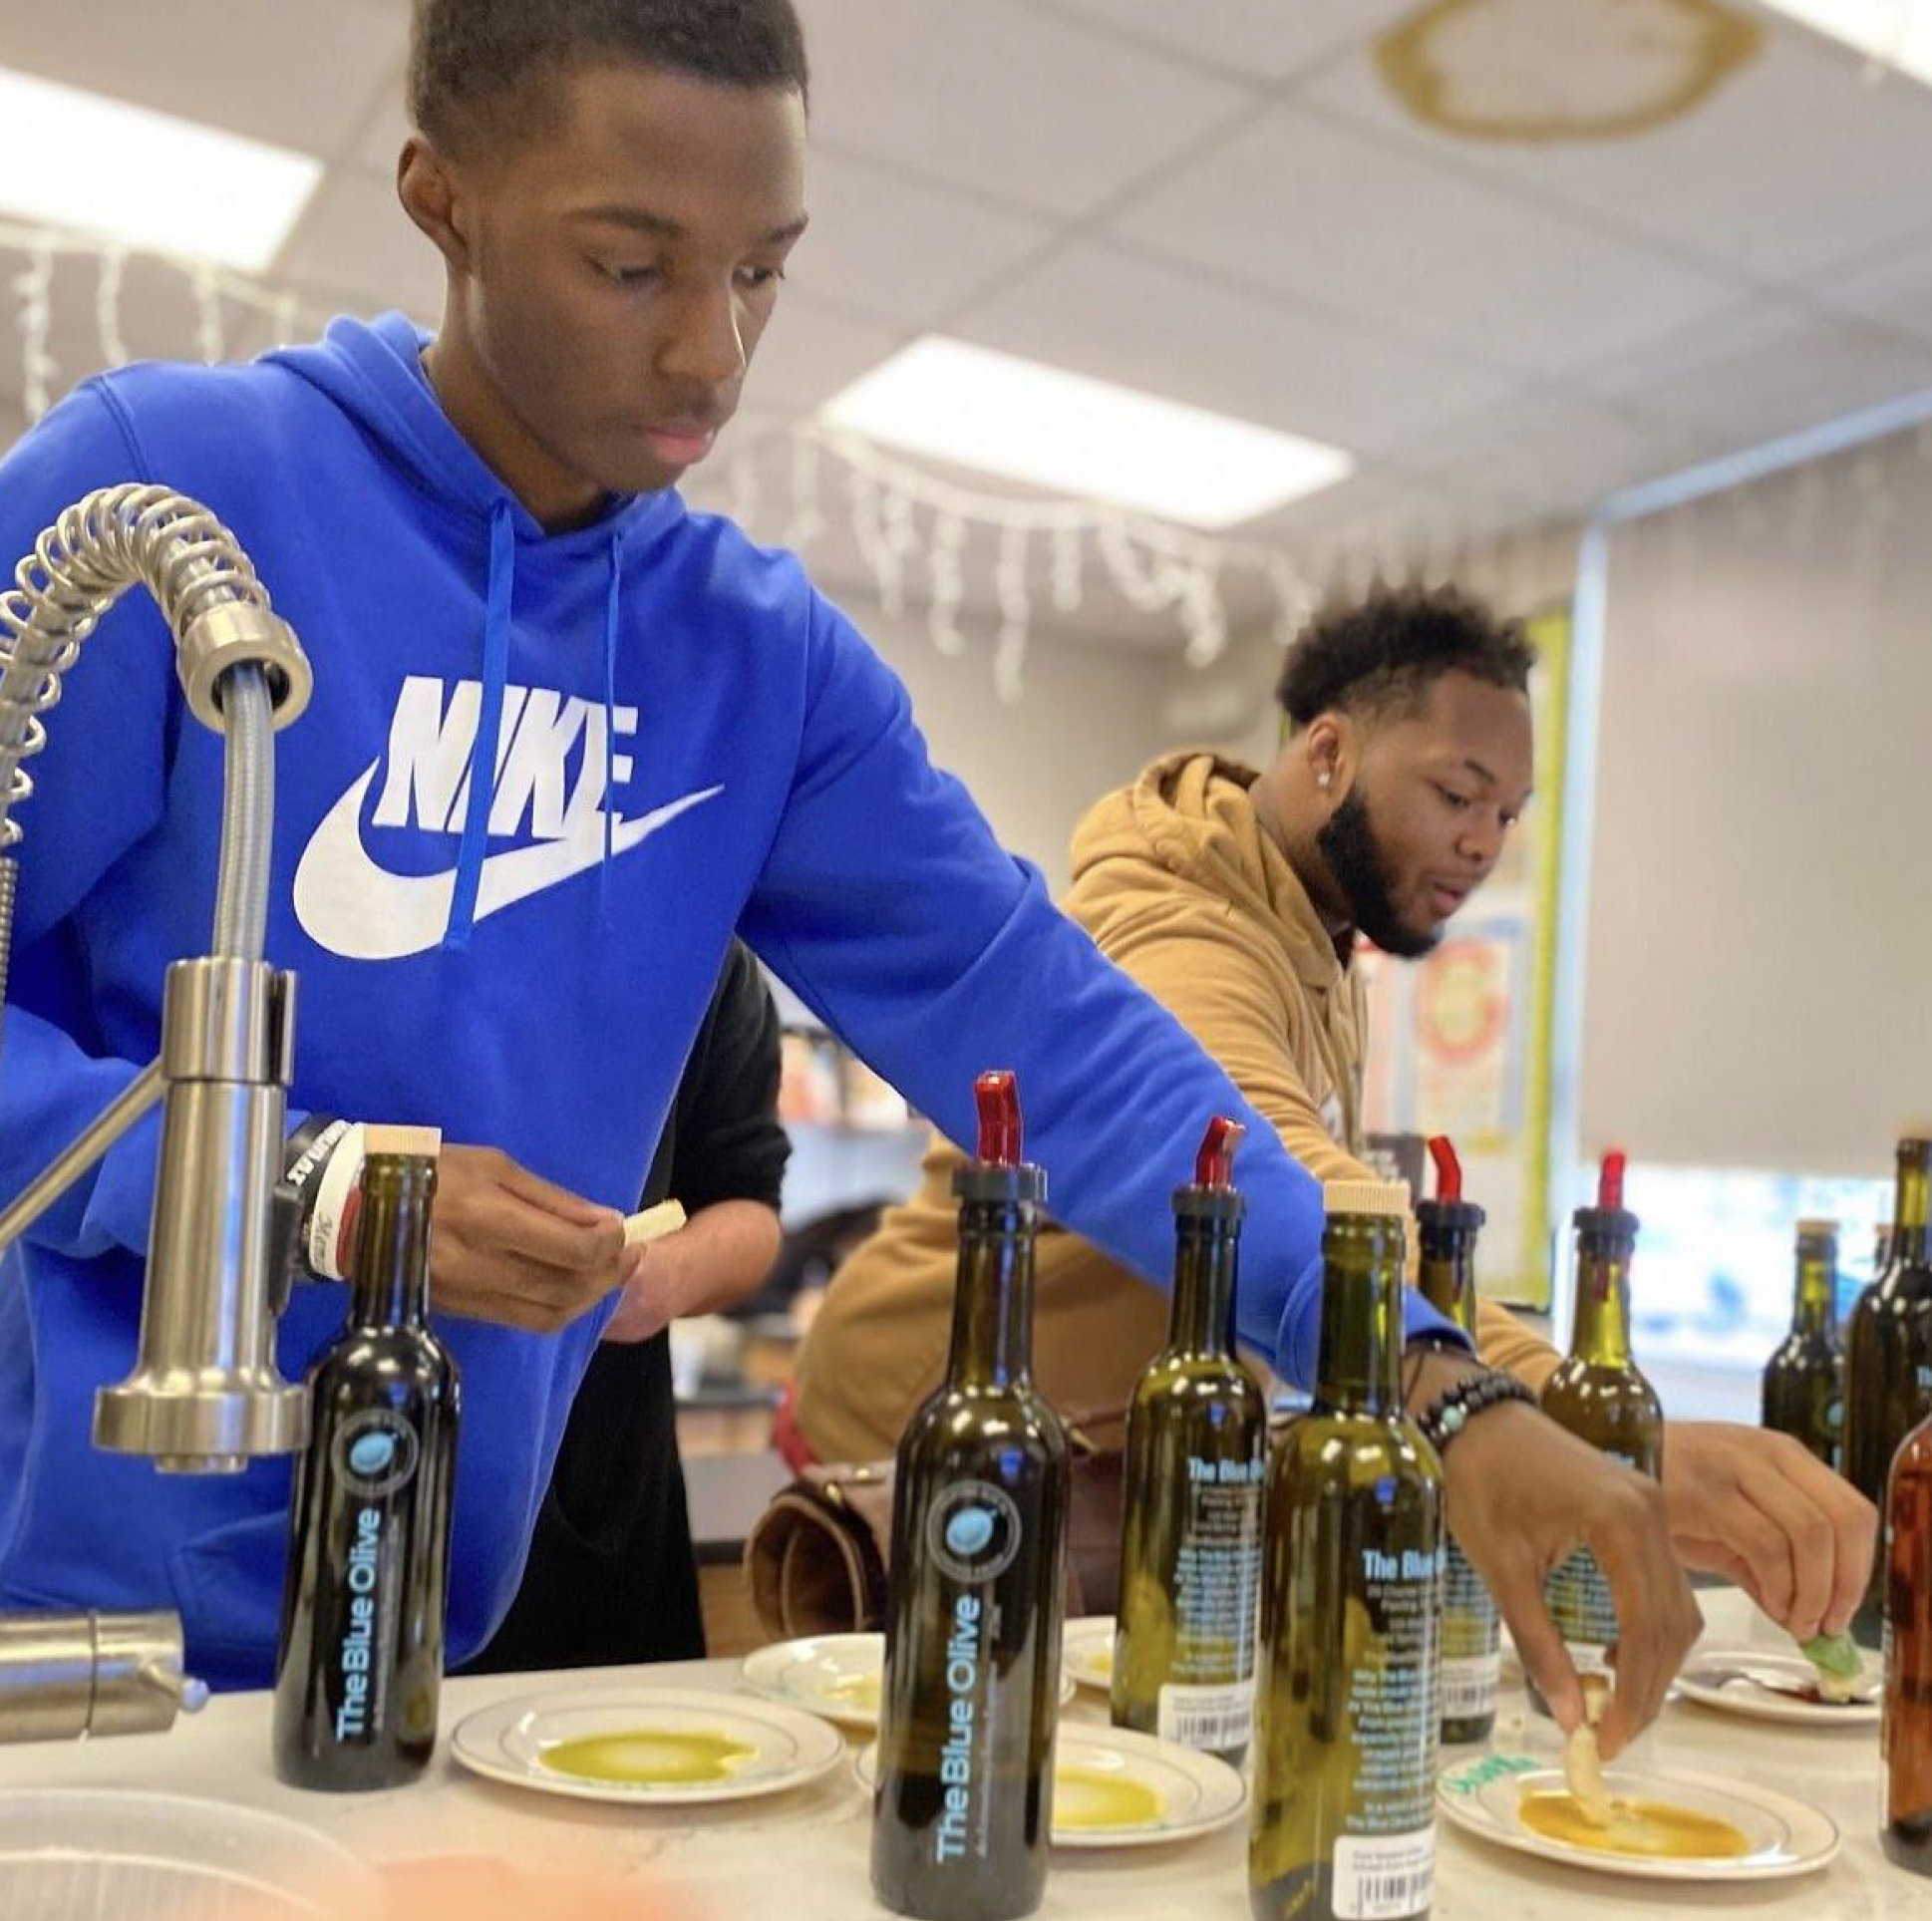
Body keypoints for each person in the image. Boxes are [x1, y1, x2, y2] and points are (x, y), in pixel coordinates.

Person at [0, 0, 1691, 1751]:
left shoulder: (754, 662)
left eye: (761, 274)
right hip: (61, 1611)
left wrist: (1436, 1379)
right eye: (631, 265)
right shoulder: (167, 495)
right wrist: (309, 1192)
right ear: (441, 198)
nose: (710, 360)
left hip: (424, 1614)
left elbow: (1069, 1042)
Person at [796, 585, 1876, 1649]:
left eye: (1507, 814)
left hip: (1084, 1456)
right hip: (901, 1444)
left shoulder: (1308, 935)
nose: (1483, 843)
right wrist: (1565, 1413)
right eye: (1458, 795)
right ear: (1329, 756)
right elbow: (1301, 1190)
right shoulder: (1187, 932)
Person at [469, 938, 787, 1671]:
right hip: (376, 1447)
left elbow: (749, 1204)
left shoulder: (707, 956)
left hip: (604, 1475)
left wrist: (656, 1280)